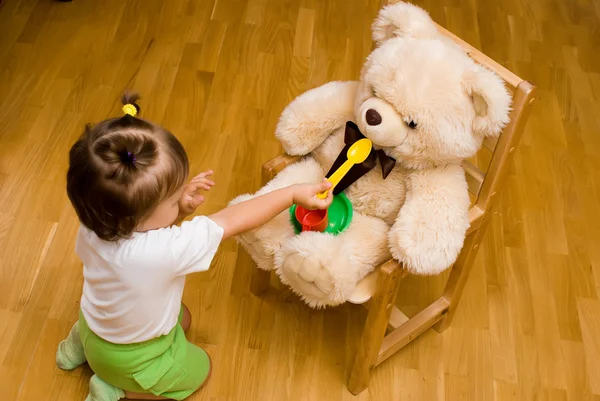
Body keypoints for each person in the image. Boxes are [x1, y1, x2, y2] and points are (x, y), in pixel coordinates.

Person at [56, 93, 333, 401]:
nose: (180, 199)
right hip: (130, 360)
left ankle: (77, 346)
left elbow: (149, 235)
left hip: (94, 325)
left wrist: (181, 210)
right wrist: (292, 193)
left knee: (183, 319)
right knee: (202, 369)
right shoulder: (161, 252)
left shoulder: (95, 223)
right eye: (174, 199)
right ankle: (116, 389)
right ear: (137, 217)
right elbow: (233, 219)